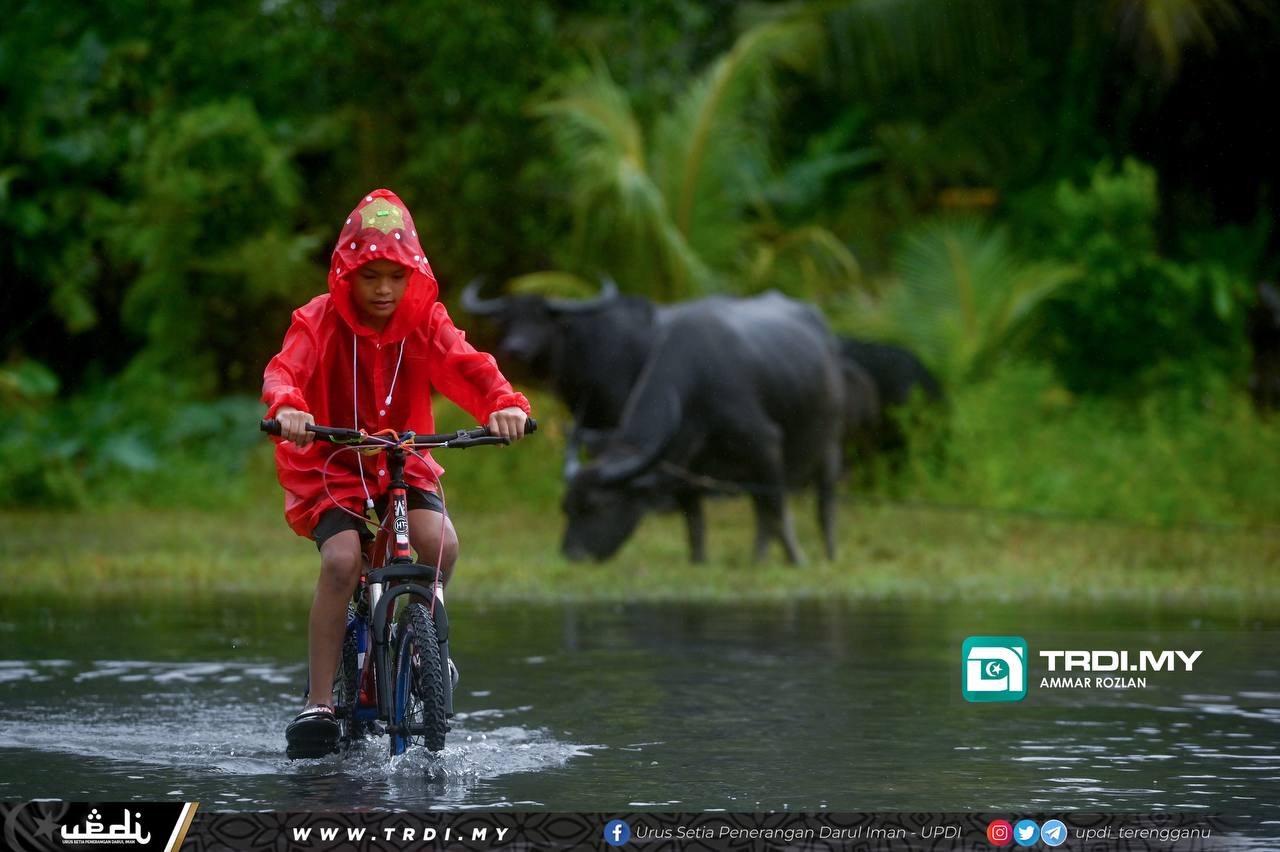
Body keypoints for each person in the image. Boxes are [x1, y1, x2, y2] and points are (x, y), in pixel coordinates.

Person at [262, 188, 531, 758]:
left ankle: (419, 649)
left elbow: (466, 364)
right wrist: (288, 407)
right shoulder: (318, 320)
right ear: (346, 275)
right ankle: (317, 699)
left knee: (439, 545)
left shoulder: (425, 321)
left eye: (395, 276)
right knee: (342, 559)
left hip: (402, 460)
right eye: (370, 276)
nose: (384, 290)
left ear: (415, 276)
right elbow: (287, 369)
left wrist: (504, 403)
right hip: (330, 461)